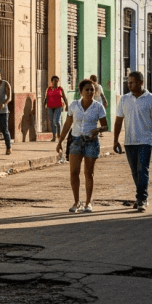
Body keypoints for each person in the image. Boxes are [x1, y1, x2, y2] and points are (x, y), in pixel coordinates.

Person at [112, 71, 152, 212]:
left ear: (141, 83)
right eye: (128, 82)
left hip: (145, 141)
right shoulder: (124, 99)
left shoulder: (151, 99)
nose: (129, 84)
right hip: (129, 141)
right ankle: (140, 195)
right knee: (135, 171)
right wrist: (115, 140)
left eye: (132, 82)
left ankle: (142, 199)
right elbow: (118, 121)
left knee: (143, 170)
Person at [56, 79, 108, 213]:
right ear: (80, 92)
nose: (90, 92)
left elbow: (105, 126)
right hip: (76, 140)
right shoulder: (74, 105)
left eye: (92, 89)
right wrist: (60, 141)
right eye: (87, 90)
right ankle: (76, 202)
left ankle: (88, 202)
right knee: (74, 172)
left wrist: (97, 130)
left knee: (88, 173)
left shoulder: (98, 107)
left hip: (91, 141)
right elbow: (67, 124)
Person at [45, 76, 69, 140]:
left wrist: (67, 105)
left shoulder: (60, 89)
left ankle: (59, 134)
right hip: (50, 107)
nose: (56, 83)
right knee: (52, 121)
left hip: (58, 107)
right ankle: (54, 136)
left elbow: (64, 98)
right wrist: (44, 105)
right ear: (52, 82)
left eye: (57, 81)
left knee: (56, 121)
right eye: (55, 81)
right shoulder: (49, 89)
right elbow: (46, 98)